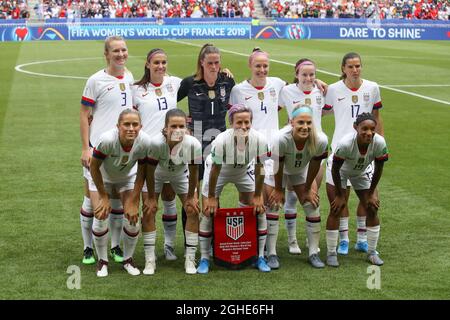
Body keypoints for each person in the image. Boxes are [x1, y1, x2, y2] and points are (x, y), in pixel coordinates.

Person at [229, 48, 286, 269]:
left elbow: (299, 88)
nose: (262, 70)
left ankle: (269, 252)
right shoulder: (238, 90)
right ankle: (245, 244)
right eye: (258, 66)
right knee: (248, 199)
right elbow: (233, 120)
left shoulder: (277, 84)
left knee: (271, 202)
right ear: (250, 66)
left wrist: (318, 82)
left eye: (265, 66)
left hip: (272, 156)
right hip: (248, 155)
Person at [80, 36, 134, 265]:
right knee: (93, 203)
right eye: (115, 51)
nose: (120, 54)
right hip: (98, 151)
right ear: (106, 54)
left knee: (118, 203)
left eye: (123, 50)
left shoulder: (130, 76)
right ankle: (87, 248)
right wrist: (85, 148)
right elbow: (84, 114)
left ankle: (114, 246)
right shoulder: (95, 80)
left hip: (122, 152)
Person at [198, 104, 271, 274]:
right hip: (220, 171)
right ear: (231, 123)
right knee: (208, 211)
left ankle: (258, 255)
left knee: (258, 209)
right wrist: (211, 197)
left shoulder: (260, 139)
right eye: (239, 122)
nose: (243, 126)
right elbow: (215, 170)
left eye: (247, 122)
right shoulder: (221, 141)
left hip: (243, 170)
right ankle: (204, 258)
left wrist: (259, 195)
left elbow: (260, 168)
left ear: (251, 122)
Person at [323, 52, 384, 255]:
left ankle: (362, 239)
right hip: (341, 151)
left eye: (358, 66)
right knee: (342, 198)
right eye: (351, 67)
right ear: (343, 69)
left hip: (367, 151)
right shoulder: (333, 89)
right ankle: (343, 239)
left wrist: (379, 143)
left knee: (368, 199)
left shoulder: (372, 87)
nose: (355, 70)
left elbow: (376, 116)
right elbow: (320, 110)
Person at [177, 43, 235, 247]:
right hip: (194, 145)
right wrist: (182, 122)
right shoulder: (189, 83)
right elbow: (168, 103)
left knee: (213, 191)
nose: (214, 66)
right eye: (209, 62)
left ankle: (211, 243)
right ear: (201, 62)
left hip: (219, 144)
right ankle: (189, 244)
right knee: (191, 194)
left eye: (217, 62)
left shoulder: (227, 81)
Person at [132, 48, 182, 261]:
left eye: (164, 62)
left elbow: (199, 80)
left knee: (170, 198)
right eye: (156, 63)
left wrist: (224, 74)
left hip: (171, 152)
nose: (161, 66)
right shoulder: (137, 90)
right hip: (147, 156)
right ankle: (149, 252)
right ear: (147, 64)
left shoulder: (175, 83)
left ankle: (169, 246)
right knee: (149, 204)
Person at [89, 109, 151, 277]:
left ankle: (127, 259)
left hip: (127, 178)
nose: (131, 128)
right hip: (101, 177)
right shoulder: (107, 140)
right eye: (126, 124)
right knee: (101, 215)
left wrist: (133, 200)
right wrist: (103, 196)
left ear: (141, 126)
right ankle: (102, 262)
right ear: (118, 126)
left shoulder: (145, 141)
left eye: (135, 124)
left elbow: (142, 172)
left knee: (132, 217)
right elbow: (93, 167)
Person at [268, 105, 329, 268]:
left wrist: (308, 188)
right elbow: (277, 165)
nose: (305, 126)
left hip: (300, 170)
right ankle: (271, 253)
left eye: (309, 123)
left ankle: (313, 253)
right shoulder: (281, 138)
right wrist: (279, 189)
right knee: (273, 204)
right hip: (275, 169)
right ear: (291, 122)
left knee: (312, 204)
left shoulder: (321, 139)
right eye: (300, 122)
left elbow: (315, 164)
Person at [143, 109, 202, 275]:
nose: (177, 130)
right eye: (173, 126)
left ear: (187, 127)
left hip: (181, 175)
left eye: (181, 126)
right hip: (156, 175)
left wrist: (191, 197)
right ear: (165, 128)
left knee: (192, 210)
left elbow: (194, 172)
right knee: (149, 210)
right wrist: (152, 198)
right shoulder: (155, 143)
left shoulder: (193, 144)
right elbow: (148, 171)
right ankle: (150, 259)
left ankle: (190, 259)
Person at [325, 113, 388, 267]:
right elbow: (335, 168)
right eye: (364, 129)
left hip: (363, 171)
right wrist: (340, 194)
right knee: (336, 208)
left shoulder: (379, 142)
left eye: (372, 129)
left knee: (372, 207)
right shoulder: (346, 143)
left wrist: (372, 192)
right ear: (356, 128)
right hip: (339, 171)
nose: (369, 132)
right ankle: (332, 253)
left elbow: (379, 168)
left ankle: (372, 253)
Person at [278, 58, 326, 257]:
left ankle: (310, 238)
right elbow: (271, 106)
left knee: (312, 197)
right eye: (304, 74)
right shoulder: (286, 91)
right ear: (296, 74)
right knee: (291, 197)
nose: (308, 78)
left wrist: (319, 82)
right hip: (293, 149)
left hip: (314, 149)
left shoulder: (322, 92)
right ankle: (292, 240)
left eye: (312, 74)